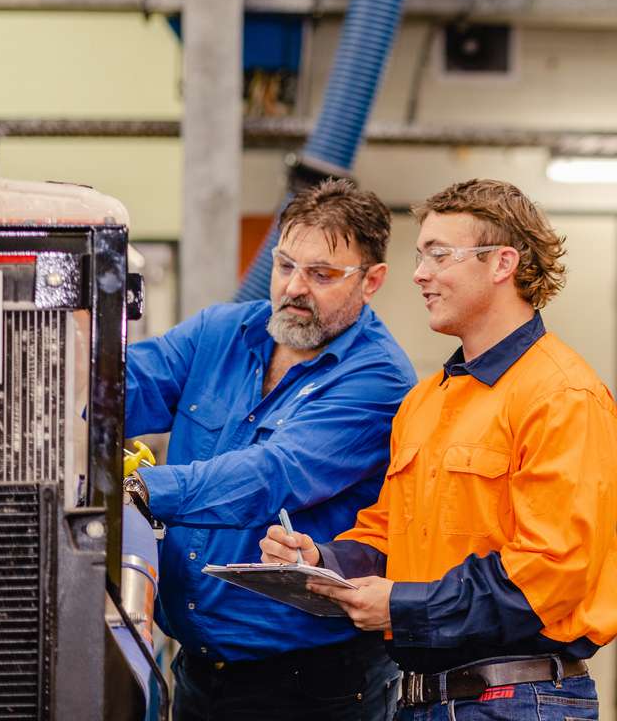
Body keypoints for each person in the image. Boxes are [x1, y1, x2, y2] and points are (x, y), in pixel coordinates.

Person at [261, 178, 617, 720]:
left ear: (502, 264)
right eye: (421, 255)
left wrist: (400, 606)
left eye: (439, 255)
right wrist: (322, 561)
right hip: (422, 699)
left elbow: (550, 575)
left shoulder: (562, 396)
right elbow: (389, 534)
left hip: (518, 700)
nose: (420, 274)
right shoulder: (426, 401)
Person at [124, 177, 417, 721]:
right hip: (200, 673)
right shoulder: (222, 333)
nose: (294, 288)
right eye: (285, 266)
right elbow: (122, 386)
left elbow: (271, 474)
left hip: (314, 687)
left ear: (371, 280)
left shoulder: (377, 378)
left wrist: (141, 488)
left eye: (321, 274)